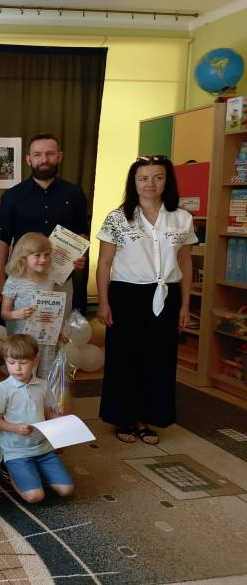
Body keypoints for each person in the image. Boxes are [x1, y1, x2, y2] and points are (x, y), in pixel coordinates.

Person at [96, 155, 196, 445]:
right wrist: (103, 301)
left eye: (157, 177)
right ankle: (124, 417)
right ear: (134, 182)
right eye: (143, 178)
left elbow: (185, 262)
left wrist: (185, 304)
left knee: (159, 358)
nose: (150, 184)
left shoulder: (182, 218)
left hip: (167, 294)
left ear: (167, 181)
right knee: (125, 358)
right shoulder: (118, 217)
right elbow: (104, 263)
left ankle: (147, 418)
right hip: (127, 295)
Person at [0, 133, 88, 302]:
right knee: (20, 320)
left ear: (59, 157)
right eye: (37, 155)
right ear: (28, 159)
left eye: (50, 153)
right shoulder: (12, 196)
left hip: (61, 280)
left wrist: (80, 255)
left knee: (59, 321)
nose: (44, 160)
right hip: (22, 280)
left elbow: (81, 231)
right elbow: (3, 239)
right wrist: (0, 278)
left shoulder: (75, 194)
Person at [0, 334, 74, 504]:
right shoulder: (2, 388)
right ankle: (8, 466)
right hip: (15, 450)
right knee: (35, 497)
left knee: (67, 490)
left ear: (35, 361)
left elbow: (47, 412)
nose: (17, 368)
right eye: (11, 363)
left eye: (23, 363)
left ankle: (32, 471)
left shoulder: (43, 385)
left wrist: (62, 421)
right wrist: (16, 428)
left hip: (43, 448)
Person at [1, 232, 70, 378]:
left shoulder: (49, 280)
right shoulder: (14, 281)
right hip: (24, 343)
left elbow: (52, 311)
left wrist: (59, 330)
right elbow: (4, 313)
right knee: (24, 379)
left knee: (45, 379)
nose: (43, 259)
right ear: (23, 257)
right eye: (37, 255)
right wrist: (16, 314)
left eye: (47, 254)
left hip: (47, 342)